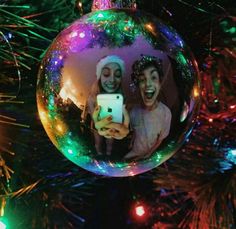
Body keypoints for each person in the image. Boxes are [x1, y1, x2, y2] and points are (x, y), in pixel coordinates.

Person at [124, 55, 172, 160]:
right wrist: (131, 143)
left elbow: (160, 139)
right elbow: (135, 132)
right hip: (135, 151)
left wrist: (149, 155)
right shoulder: (134, 111)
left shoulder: (165, 113)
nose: (148, 84)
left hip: (149, 157)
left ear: (160, 83)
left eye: (153, 77)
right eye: (142, 79)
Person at [86, 55, 129, 156]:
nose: (112, 80)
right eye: (106, 74)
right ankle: (100, 156)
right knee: (98, 142)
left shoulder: (121, 97)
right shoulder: (92, 98)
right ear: (99, 76)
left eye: (118, 75)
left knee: (110, 142)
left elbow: (122, 116)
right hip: (97, 125)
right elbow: (93, 117)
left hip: (114, 125)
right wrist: (97, 121)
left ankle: (108, 155)